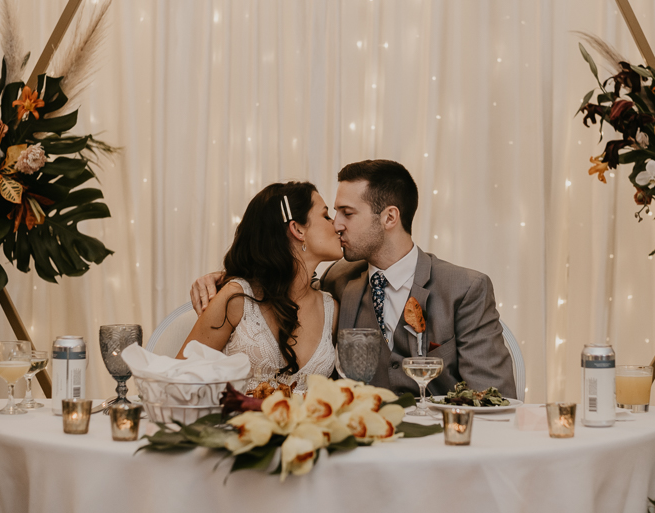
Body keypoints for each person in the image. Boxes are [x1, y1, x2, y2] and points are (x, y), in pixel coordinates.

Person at [192, 160, 517, 399]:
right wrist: (229, 279)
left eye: (347, 213)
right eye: (332, 214)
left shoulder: (465, 288)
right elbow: (283, 289)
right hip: (356, 454)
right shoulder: (339, 282)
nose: (337, 225)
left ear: (390, 217)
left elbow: (495, 398)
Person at [178, 181, 341, 394]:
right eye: (326, 216)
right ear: (298, 229)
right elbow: (177, 381)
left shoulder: (331, 309)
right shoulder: (237, 298)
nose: (336, 225)